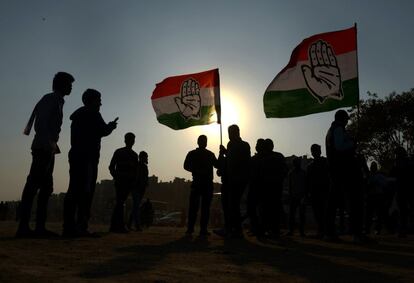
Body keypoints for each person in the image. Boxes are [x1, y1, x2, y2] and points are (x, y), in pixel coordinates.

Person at [16, 72, 74, 238]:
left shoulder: (52, 100)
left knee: (45, 187)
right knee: (34, 185)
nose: (71, 88)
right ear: (62, 85)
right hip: (44, 147)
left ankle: (36, 226)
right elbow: (41, 124)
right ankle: (25, 226)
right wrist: (49, 142)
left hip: (46, 147)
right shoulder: (52, 100)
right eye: (69, 84)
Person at [62, 89, 117, 237]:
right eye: (98, 99)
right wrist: (111, 126)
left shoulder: (79, 115)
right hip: (87, 158)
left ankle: (69, 226)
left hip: (76, 155)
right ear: (92, 100)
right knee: (85, 192)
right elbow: (102, 131)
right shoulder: (92, 114)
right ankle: (81, 226)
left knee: (73, 190)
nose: (100, 103)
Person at [325, 110, 365, 243]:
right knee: (353, 200)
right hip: (343, 170)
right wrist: (352, 143)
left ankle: (329, 232)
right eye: (346, 119)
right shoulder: (337, 129)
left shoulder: (332, 130)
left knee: (333, 202)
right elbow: (340, 147)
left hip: (336, 170)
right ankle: (356, 234)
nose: (348, 121)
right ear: (342, 119)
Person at [219, 125, 251, 238]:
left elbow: (238, 160)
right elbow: (228, 161)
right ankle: (229, 228)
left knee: (233, 204)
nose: (229, 135)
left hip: (238, 179)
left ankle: (235, 229)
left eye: (231, 132)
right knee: (228, 205)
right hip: (228, 180)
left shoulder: (243, 145)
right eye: (229, 132)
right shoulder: (231, 145)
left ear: (237, 132)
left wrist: (226, 152)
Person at [184, 135, 218, 236]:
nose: (204, 142)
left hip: (203, 184)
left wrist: (221, 155)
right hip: (201, 183)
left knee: (201, 208)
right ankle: (194, 229)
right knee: (199, 208)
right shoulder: (196, 154)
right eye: (203, 141)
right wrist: (196, 170)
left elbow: (217, 165)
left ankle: (197, 229)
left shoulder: (206, 154)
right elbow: (186, 166)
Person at [109, 133, 139, 233]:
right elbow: (112, 167)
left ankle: (115, 226)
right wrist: (116, 177)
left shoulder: (133, 155)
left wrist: (132, 181)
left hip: (126, 182)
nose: (131, 141)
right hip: (122, 181)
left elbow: (135, 171)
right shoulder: (121, 152)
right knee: (120, 203)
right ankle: (119, 226)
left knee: (120, 202)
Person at [259, 138, 288, 239]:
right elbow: (285, 170)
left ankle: (265, 231)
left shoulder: (263, 158)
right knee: (274, 209)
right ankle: (274, 230)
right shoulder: (278, 156)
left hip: (268, 188)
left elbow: (260, 174)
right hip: (275, 187)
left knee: (266, 210)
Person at [306, 144, 330, 238]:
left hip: (321, 191)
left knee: (321, 212)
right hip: (317, 192)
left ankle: (323, 230)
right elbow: (308, 181)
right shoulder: (321, 163)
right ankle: (322, 230)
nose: (316, 152)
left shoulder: (323, 163)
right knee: (319, 212)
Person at [391, 147, 413, 237]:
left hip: (405, 189)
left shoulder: (401, 163)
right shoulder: (407, 162)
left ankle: (403, 230)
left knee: (404, 210)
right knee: (404, 210)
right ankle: (403, 230)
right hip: (405, 189)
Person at [365, 161, 388, 235]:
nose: (373, 168)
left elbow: (384, 185)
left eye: (374, 166)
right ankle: (368, 229)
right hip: (371, 196)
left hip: (378, 196)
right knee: (369, 214)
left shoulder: (379, 176)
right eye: (372, 166)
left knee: (378, 214)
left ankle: (377, 229)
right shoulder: (368, 175)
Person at [128, 151, 149, 231]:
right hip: (137, 188)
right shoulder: (138, 166)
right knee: (136, 207)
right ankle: (136, 225)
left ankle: (130, 224)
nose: (146, 158)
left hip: (140, 189)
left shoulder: (143, 166)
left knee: (135, 207)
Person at [287, 157, 307, 237]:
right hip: (296, 196)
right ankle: (296, 231)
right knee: (295, 215)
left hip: (298, 196)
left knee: (297, 215)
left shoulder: (292, 173)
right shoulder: (301, 173)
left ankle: (297, 231)